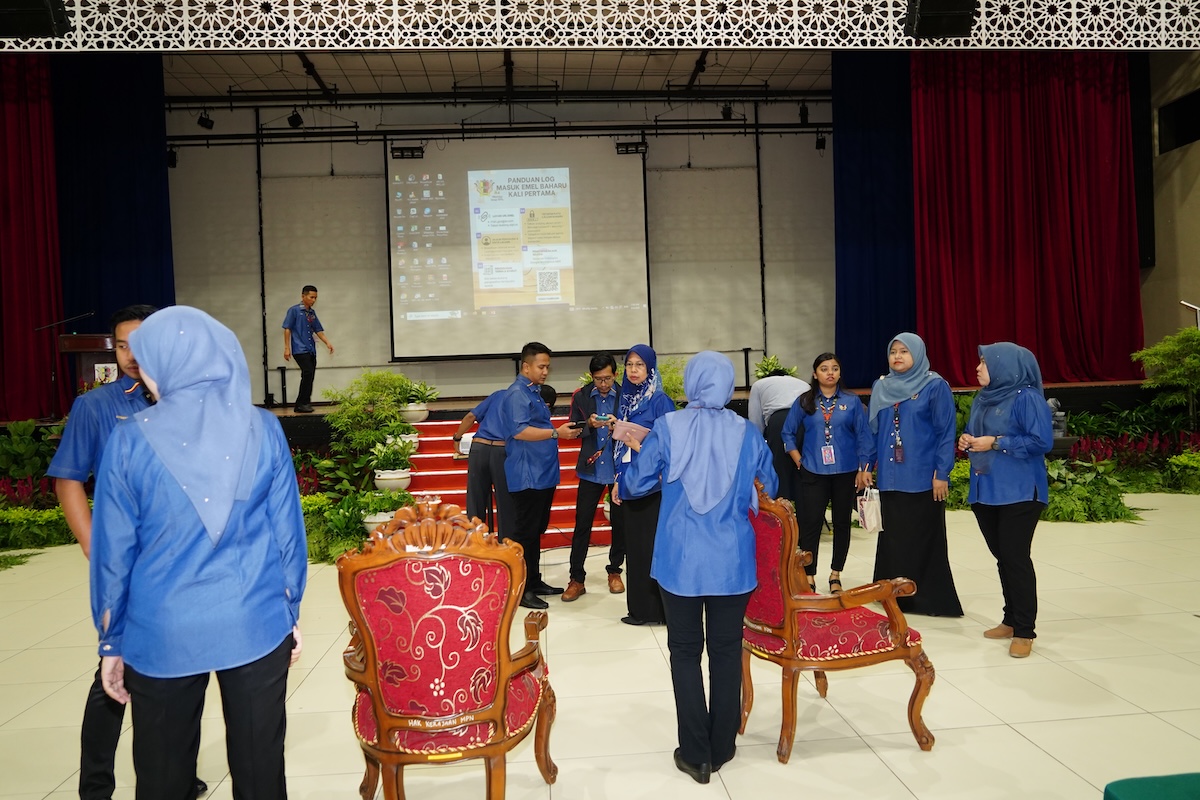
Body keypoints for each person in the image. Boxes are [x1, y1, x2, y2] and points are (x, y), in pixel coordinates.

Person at [91, 306, 307, 799]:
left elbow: (113, 557)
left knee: (163, 776)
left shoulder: (128, 440)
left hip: (161, 632)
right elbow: (287, 535)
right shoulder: (263, 428)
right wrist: (290, 612)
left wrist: (111, 641)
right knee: (261, 774)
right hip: (254, 622)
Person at [47, 306, 210, 800]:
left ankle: (178, 775)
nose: (132, 354)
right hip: (133, 566)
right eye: (122, 345)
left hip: (187, 562)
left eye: (143, 343)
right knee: (115, 675)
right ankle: (96, 785)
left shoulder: (190, 400)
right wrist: (94, 545)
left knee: (184, 672)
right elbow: (68, 479)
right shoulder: (97, 407)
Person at [621, 351, 777, 784]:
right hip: (732, 560)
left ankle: (695, 754)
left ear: (691, 382)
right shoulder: (747, 431)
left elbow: (635, 484)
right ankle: (722, 746)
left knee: (685, 652)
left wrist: (643, 460)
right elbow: (771, 485)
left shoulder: (667, 426)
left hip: (680, 560)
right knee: (726, 651)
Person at [958, 343, 1053, 658]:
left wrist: (996, 442)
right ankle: (1010, 619)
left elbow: (1041, 441)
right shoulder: (983, 398)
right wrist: (967, 439)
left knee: (1015, 557)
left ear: (1005, 366)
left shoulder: (1027, 398)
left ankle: (1025, 630)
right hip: (987, 489)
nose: (978, 368)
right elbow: (975, 433)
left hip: (1020, 491)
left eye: (984, 362)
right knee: (1003, 557)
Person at [866, 332, 964, 617]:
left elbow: (945, 433)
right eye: (893, 351)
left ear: (918, 354)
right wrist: (866, 466)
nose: (897, 356)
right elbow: (873, 432)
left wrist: (941, 473)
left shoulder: (935, 386)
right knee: (893, 537)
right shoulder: (881, 386)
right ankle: (891, 593)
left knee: (923, 537)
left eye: (904, 351)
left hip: (923, 477)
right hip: (890, 476)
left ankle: (925, 599)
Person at [781, 353, 872, 594]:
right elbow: (787, 433)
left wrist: (864, 468)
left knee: (842, 523)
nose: (830, 373)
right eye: (824, 368)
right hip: (813, 471)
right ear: (815, 374)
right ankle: (809, 576)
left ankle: (835, 575)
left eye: (834, 368)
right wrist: (798, 460)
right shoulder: (805, 401)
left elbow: (864, 437)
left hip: (846, 471)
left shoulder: (852, 402)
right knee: (810, 524)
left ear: (840, 373)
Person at [502, 342, 582, 609]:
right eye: (541, 366)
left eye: (548, 367)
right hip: (528, 474)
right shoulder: (517, 394)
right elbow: (519, 431)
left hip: (542, 472)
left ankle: (534, 581)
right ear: (526, 366)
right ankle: (522, 589)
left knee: (536, 530)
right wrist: (557, 432)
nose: (546, 371)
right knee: (525, 532)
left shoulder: (533, 391)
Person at [612, 344, 677, 626]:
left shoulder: (660, 401)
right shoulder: (626, 400)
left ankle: (661, 611)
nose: (633, 370)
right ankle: (639, 610)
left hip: (654, 486)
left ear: (650, 368)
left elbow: (671, 445)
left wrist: (640, 446)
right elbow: (619, 449)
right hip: (630, 483)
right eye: (629, 365)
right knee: (635, 549)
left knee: (653, 548)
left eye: (639, 365)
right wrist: (618, 480)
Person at [562, 353, 623, 602]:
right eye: (598, 379)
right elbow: (571, 430)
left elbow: (636, 429)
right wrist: (588, 424)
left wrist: (618, 426)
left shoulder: (625, 394)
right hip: (591, 469)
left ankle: (615, 571)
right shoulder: (581, 395)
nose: (603, 384)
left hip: (618, 469)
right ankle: (576, 578)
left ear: (615, 375)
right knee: (582, 524)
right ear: (591, 377)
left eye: (607, 378)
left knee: (620, 524)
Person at [452, 389, 514, 536]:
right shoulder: (526, 398)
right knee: (506, 500)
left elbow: (470, 416)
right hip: (502, 449)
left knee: (475, 499)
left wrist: (457, 437)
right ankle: (506, 543)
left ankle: (475, 540)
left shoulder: (499, 394)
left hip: (479, 447)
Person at [748, 367, 811, 505]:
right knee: (804, 468)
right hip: (805, 422)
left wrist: (759, 445)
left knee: (779, 470)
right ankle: (805, 515)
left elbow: (755, 420)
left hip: (779, 420)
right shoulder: (803, 383)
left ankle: (782, 513)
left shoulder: (759, 384)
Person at [281, 284, 333, 413]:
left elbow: (318, 330)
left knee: (309, 376)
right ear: (303, 296)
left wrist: (327, 342)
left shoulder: (311, 313)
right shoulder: (294, 310)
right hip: (300, 349)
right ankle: (302, 403)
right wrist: (287, 348)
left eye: (315, 298)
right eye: (311, 297)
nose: (313, 300)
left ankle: (303, 403)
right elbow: (287, 329)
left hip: (311, 349)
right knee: (308, 372)